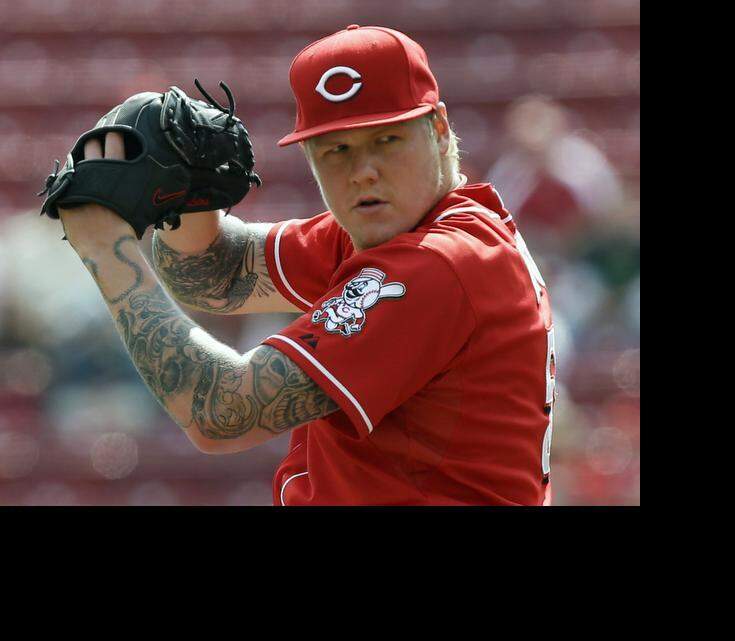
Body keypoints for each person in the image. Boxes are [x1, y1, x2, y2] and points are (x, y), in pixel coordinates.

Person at [55, 25, 556, 505]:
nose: (364, 172)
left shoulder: (439, 261)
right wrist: (191, 195)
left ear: (439, 130)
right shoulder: (396, 231)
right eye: (337, 149)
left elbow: (224, 412)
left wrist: (107, 250)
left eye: (387, 140)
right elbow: (216, 274)